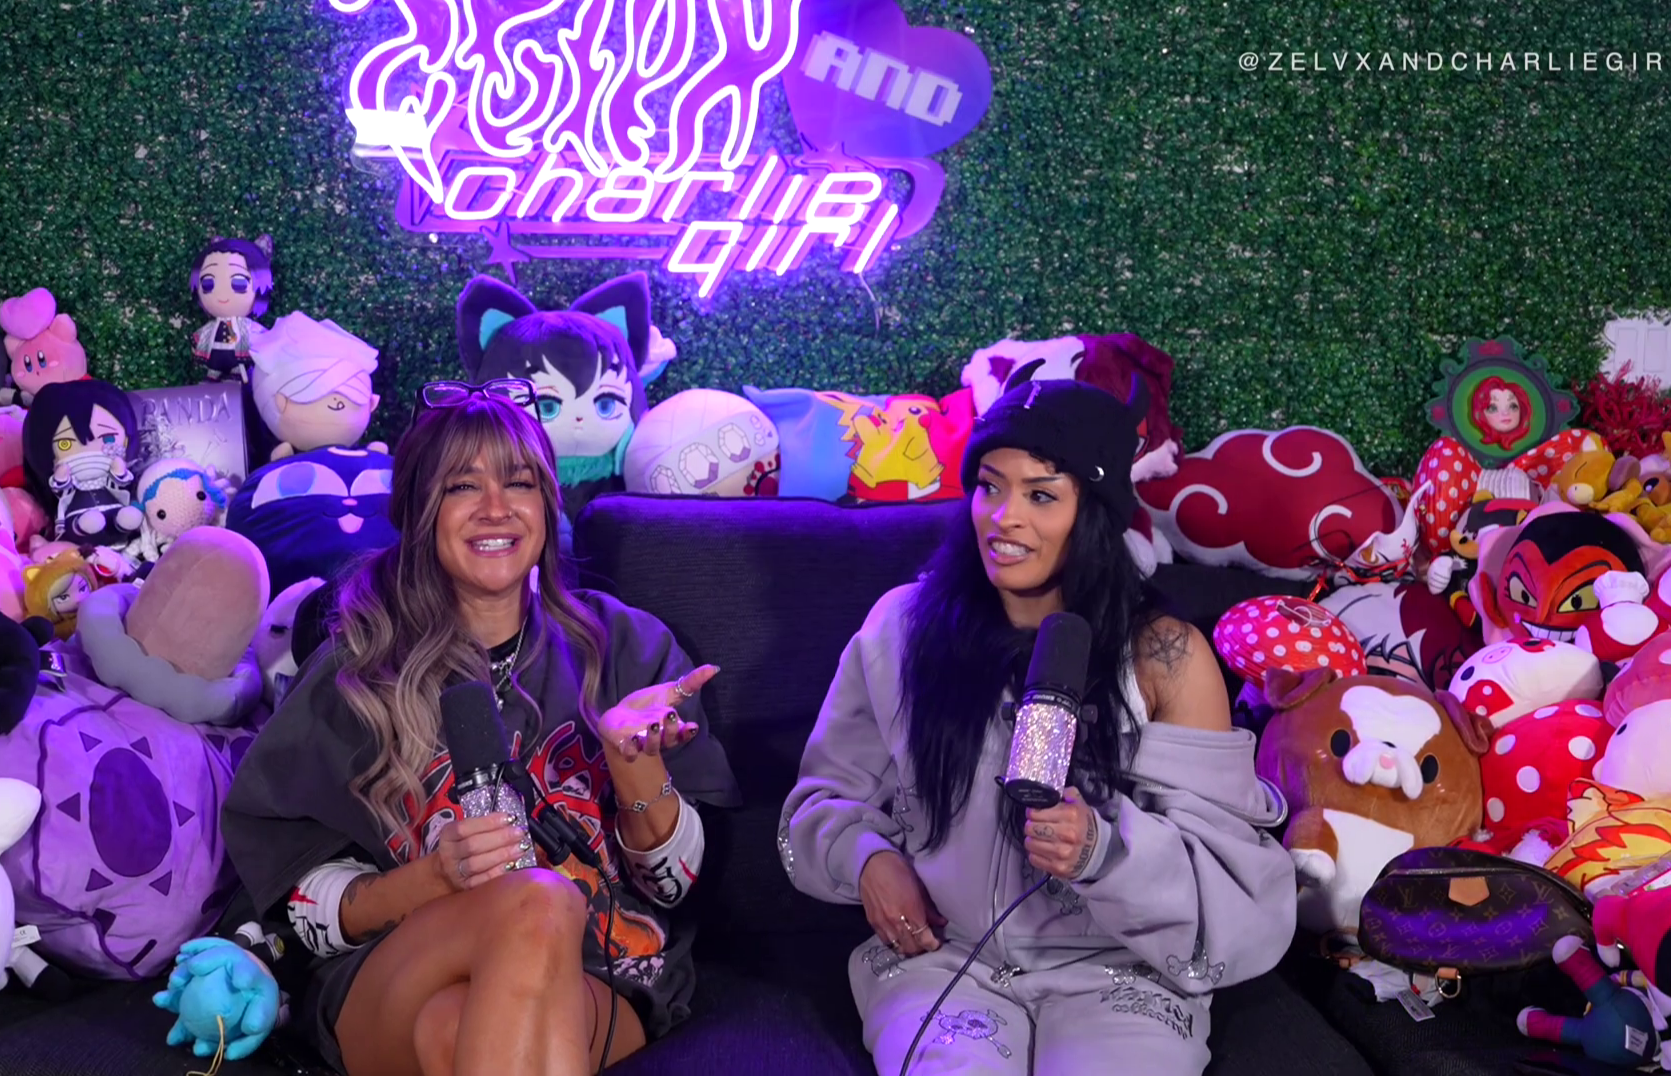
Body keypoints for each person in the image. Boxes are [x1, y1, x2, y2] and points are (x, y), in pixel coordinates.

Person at [221, 378, 741, 1076]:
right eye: (463, 486)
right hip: (401, 972)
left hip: (601, 975)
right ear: (420, 512)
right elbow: (292, 907)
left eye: (518, 482)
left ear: (547, 502)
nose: (496, 508)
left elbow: (676, 892)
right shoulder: (356, 675)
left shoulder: (628, 650)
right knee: (536, 904)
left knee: (454, 1031)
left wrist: (634, 764)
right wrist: (435, 878)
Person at [780, 379, 1297, 1076]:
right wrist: (868, 859)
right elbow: (819, 805)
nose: (1004, 518)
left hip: (1121, 975)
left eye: (1041, 495)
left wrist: (1104, 853)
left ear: (1095, 513)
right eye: (989, 487)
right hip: (946, 960)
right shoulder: (901, 630)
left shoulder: (1166, 656)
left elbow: (1232, 896)